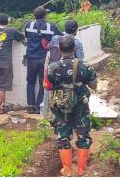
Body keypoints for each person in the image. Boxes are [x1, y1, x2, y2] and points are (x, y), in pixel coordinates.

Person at [47, 36, 97, 176]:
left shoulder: (52, 67)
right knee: (83, 135)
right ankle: (81, 169)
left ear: (59, 49)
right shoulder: (84, 65)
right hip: (81, 106)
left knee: (63, 136)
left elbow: (48, 86)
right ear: (75, 49)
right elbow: (94, 84)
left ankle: (67, 170)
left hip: (61, 107)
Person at [24, 6, 62, 114]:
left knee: (30, 82)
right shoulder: (51, 27)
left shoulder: (28, 25)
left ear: (35, 16)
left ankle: (30, 106)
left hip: (31, 58)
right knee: (42, 82)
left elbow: (26, 36)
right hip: (44, 59)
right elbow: (61, 36)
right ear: (45, 16)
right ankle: (38, 106)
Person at [0, 13, 25, 115]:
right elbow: (21, 37)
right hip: (4, 63)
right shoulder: (11, 30)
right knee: (1, 87)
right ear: (7, 22)